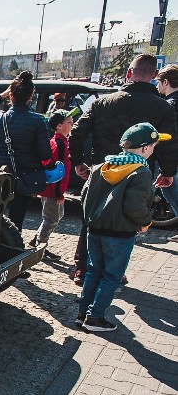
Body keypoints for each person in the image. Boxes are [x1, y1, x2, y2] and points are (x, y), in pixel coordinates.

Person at [68, 54, 178, 284]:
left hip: (102, 170)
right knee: (128, 221)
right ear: (154, 76)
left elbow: (76, 132)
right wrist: (167, 172)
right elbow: (169, 144)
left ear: (128, 74)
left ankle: (83, 268)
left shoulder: (103, 102)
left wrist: (78, 162)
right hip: (137, 173)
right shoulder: (161, 107)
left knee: (92, 217)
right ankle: (115, 270)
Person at [76, 123, 164, 332]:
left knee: (93, 272)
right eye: (152, 146)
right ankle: (95, 318)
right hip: (120, 233)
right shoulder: (140, 172)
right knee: (111, 276)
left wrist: (90, 221)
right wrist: (145, 222)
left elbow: (84, 197)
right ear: (144, 149)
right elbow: (134, 206)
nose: (153, 150)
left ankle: (82, 314)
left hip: (95, 229)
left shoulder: (101, 166)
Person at [0, 70, 52, 231]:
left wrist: (1, 96)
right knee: (17, 218)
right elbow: (45, 154)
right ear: (31, 97)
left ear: (11, 96)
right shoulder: (38, 121)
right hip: (25, 175)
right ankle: (12, 245)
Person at [29, 110, 73, 258]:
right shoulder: (59, 144)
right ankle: (40, 246)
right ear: (59, 126)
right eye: (69, 122)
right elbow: (56, 171)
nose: (72, 124)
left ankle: (37, 239)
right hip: (53, 189)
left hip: (53, 188)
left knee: (56, 215)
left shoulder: (60, 142)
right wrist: (59, 193)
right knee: (52, 218)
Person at [155, 63, 178, 242]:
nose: (157, 86)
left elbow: (168, 137)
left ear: (165, 82)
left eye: (159, 82)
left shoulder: (169, 105)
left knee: (171, 192)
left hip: (172, 159)